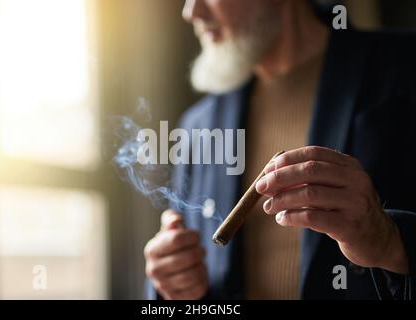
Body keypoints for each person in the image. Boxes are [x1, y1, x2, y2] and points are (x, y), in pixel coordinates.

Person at [144, 0, 416, 300]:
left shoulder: (404, 68)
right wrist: (176, 286)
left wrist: (392, 242)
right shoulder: (198, 126)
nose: (191, 11)